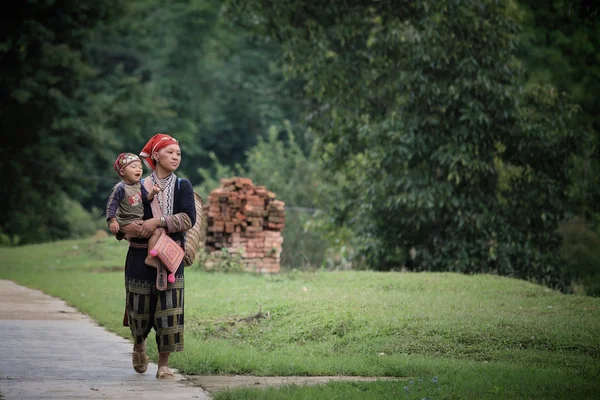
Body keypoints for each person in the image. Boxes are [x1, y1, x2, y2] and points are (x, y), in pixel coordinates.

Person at [123, 133, 196, 380]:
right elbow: (125, 218)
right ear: (155, 156)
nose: (176, 157)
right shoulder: (136, 186)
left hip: (170, 257)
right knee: (139, 309)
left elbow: (188, 218)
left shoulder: (182, 186)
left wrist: (159, 221)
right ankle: (139, 345)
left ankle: (163, 365)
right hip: (139, 257)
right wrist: (129, 228)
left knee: (169, 311)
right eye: (170, 152)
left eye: (179, 153)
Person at [106, 152, 163, 268]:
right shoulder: (120, 188)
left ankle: (123, 234)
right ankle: (150, 257)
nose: (138, 169)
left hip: (137, 219)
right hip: (126, 220)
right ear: (122, 172)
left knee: (156, 230)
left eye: (140, 167)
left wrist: (153, 192)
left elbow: (146, 199)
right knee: (156, 232)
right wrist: (112, 220)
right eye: (133, 167)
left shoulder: (139, 185)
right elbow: (111, 205)